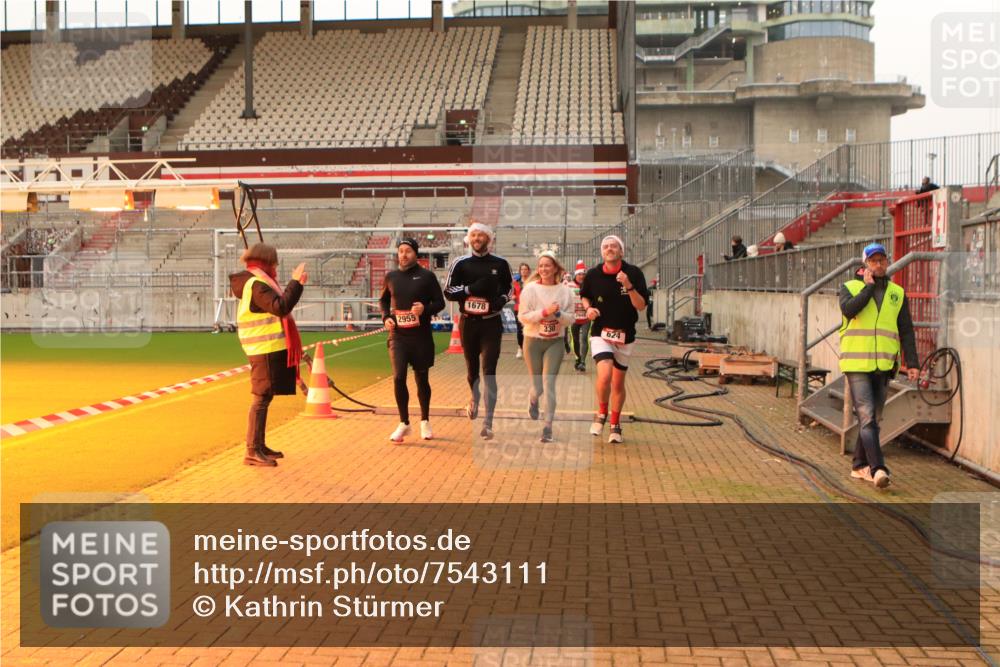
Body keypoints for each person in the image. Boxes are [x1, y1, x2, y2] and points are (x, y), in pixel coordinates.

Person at [839, 242, 920, 489]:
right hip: (856, 363)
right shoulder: (850, 287)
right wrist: (867, 288)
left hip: (884, 364)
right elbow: (848, 309)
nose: (879, 264)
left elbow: (906, 330)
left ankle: (858, 466)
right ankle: (878, 469)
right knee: (866, 415)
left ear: (887, 262)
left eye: (882, 260)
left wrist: (913, 363)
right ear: (865, 264)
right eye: (873, 260)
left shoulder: (897, 293)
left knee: (874, 418)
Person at [229, 243, 307, 467]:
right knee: (261, 398)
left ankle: (259, 446)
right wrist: (296, 283)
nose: (276, 266)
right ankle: (252, 450)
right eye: (274, 262)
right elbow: (280, 306)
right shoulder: (257, 284)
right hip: (263, 348)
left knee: (265, 397)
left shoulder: (255, 282)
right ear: (267, 261)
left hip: (266, 347)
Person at [444, 220, 514, 440]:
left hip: (491, 322)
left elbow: (510, 289)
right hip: (469, 323)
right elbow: (448, 291)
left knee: (489, 371)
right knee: (472, 371)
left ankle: (488, 421)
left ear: (489, 239)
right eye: (473, 236)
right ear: (468, 239)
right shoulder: (460, 263)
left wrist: (500, 301)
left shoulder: (501, 263)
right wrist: (469, 289)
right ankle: (474, 397)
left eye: (480, 236)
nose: (476, 239)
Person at [580, 235, 649, 444]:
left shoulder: (634, 273)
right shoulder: (593, 275)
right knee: (605, 373)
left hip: (626, 335)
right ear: (602, 252)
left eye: (614, 246)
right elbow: (585, 296)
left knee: (618, 383)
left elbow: (641, 305)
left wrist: (628, 285)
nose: (609, 249)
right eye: (606, 246)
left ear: (621, 251)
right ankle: (601, 413)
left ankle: (615, 424)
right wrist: (588, 308)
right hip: (601, 333)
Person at [380, 237, 445, 444]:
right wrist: (386, 317)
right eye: (400, 251)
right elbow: (383, 300)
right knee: (399, 377)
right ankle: (404, 423)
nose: (404, 255)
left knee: (421, 378)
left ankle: (425, 420)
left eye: (408, 251)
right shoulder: (390, 276)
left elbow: (440, 302)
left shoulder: (427, 276)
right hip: (398, 336)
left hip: (421, 338)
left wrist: (425, 309)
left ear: (416, 254)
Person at [517, 251, 575, 443]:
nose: (543, 269)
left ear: (556, 268)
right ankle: (533, 401)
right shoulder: (530, 289)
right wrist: (544, 312)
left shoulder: (565, 291)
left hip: (555, 341)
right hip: (532, 340)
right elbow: (523, 317)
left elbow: (571, 320)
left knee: (549, 384)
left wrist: (558, 315)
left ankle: (547, 427)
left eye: (547, 265)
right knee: (538, 387)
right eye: (540, 266)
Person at [569, 260, 590, 372]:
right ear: (576, 275)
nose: (581, 276)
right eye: (579, 274)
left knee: (584, 338)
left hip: (586, 317)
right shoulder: (569, 285)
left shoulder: (589, 284)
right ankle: (577, 358)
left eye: (583, 274)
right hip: (573, 318)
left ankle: (583, 362)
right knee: (576, 340)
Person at [511, 263, 531, 358]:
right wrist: (513, 296)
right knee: (520, 330)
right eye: (522, 269)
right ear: (520, 271)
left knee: (530, 329)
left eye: (525, 269)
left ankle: (529, 349)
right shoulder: (515, 282)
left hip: (530, 309)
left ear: (528, 271)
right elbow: (511, 294)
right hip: (518, 308)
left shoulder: (532, 282)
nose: (524, 271)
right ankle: (520, 348)